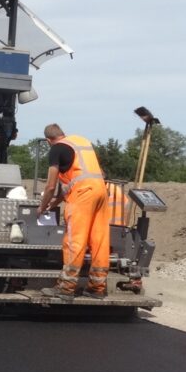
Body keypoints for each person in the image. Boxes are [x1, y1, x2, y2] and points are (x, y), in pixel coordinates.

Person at [38, 123, 110, 299]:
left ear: (48, 140)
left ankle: (66, 288)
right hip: (101, 190)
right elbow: (84, 176)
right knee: (99, 240)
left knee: (74, 240)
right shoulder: (81, 142)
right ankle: (97, 288)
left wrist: (42, 207)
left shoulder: (56, 149)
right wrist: (56, 201)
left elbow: (50, 186)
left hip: (83, 194)